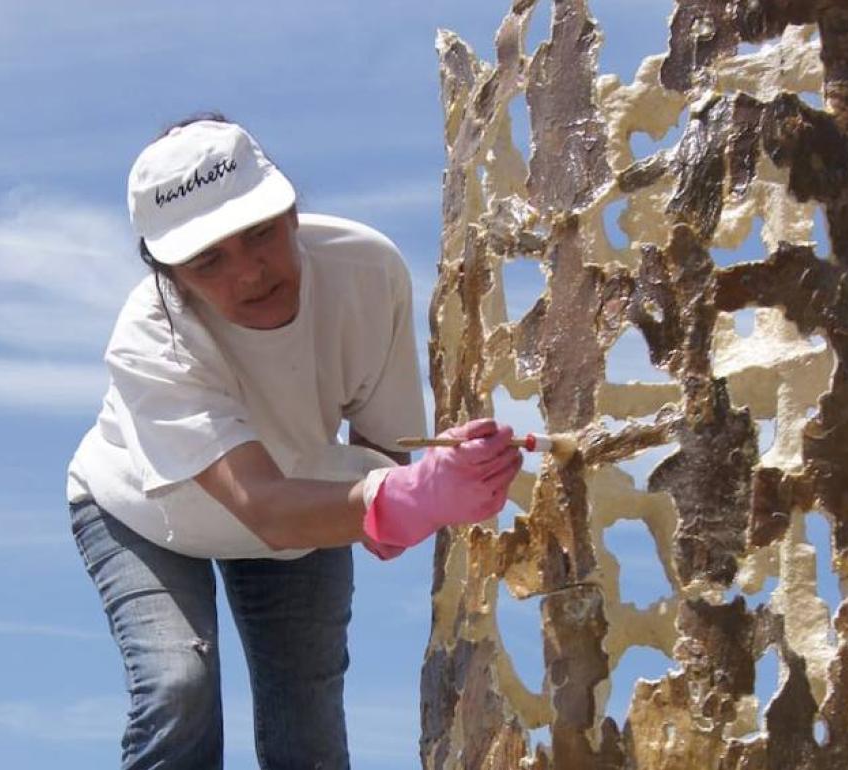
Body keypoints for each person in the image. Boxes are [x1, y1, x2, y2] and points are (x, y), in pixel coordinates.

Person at [67, 114, 523, 770]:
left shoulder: (367, 270)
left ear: (290, 208)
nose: (249, 272)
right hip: (143, 512)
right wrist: (407, 495)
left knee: (306, 720)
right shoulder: (147, 339)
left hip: (299, 496)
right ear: (170, 274)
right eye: (208, 261)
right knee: (178, 689)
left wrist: (430, 487)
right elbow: (264, 507)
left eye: (260, 233)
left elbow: (384, 460)